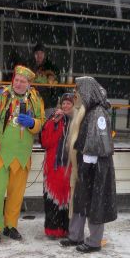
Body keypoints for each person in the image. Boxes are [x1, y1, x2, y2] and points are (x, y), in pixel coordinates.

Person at [0, 65, 44, 243]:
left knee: (16, 194)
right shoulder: (0, 95)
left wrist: (32, 123)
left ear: (29, 83)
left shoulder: (35, 98)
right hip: (1, 154)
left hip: (22, 156)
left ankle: (10, 226)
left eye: (22, 81)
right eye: (16, 80)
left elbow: (42, 122)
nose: (18, 83)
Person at [60, 76, 117, 253]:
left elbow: (100, 142)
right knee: (80, 200)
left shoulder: (98, 113)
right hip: (85, 166)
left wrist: (88, 160)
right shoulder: (87, 111)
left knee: (95, 203)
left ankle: (94, 241)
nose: (75, 94)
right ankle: (75, 235)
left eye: (77, 90)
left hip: (96, 167)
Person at [41, 93, 75, 239]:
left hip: (70, 167)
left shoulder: (77, 121)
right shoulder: (54, 119)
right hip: (54, 166)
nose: (66, 106)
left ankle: (66, 229)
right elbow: (45, 142)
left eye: (69, 103)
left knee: (67, 200)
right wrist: (54, 123)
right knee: (52, 199)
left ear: (74, 106)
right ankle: (52, 229)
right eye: (64, 103)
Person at [29, 42, 60, 109]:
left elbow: (56, 76)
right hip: (32, 98)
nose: (39, 56)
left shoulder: (50, 66)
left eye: (41, 53)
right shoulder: (29, 65)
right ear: (34, 55)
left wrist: (51, 78)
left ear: (44, 54)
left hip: (47, 101)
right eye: (37, 53)